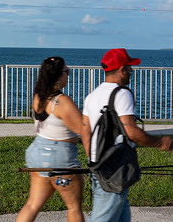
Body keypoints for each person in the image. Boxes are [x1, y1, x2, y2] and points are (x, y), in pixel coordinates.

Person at [82, 48, 173, 222]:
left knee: (122, 216)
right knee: (103, 218)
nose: (132, 71)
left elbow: (85, 131)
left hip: (98, 168)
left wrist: (94, 160)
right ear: (122, 69)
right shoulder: (121, 94)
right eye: (129, 67)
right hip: (115, 169)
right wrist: (161, 142)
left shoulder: (92, 96)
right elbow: (131, 132)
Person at [17, 57, 85, 222]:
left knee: (32, 204)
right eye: (66, 71)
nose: (68, 75)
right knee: (74, 207)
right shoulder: (62, 102)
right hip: (60, 158)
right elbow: (83, 129)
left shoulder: (38, 96)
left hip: (38, 154)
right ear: (57, 75)